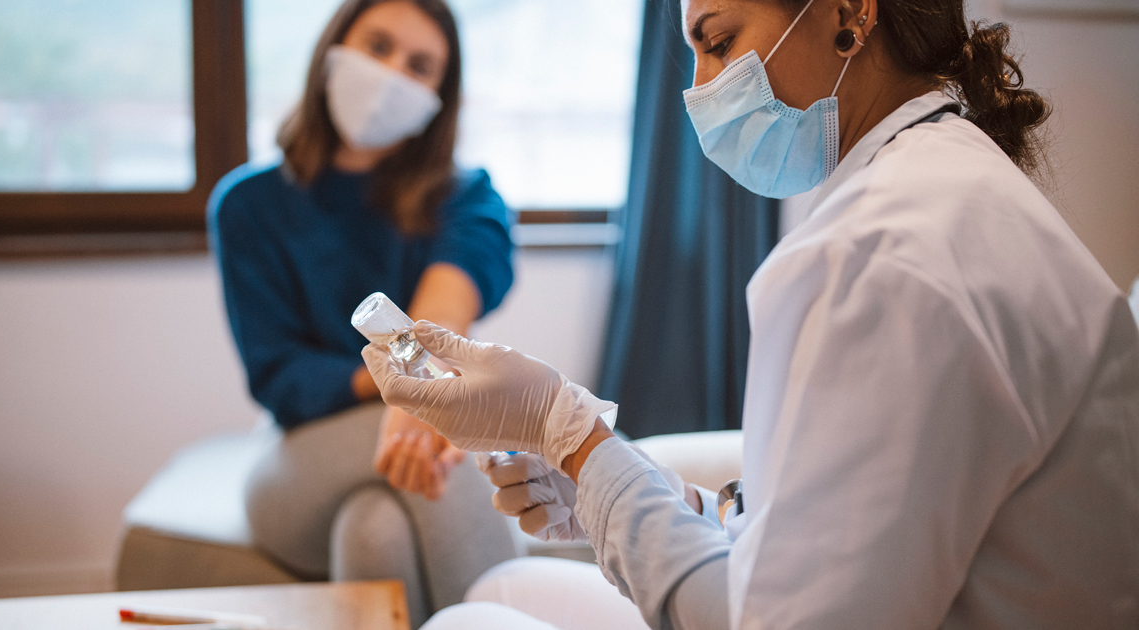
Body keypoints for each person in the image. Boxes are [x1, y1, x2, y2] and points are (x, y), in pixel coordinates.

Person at [360, 0, 1139, 628]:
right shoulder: (949, 178)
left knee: (471, 622)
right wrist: (639, 489)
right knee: (503, 590)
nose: (699, 89)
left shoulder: (874, 255)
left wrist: (570, 434)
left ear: (851, 14)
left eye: (720, 41)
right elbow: (851, 520)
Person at [206, 0, 517, 625]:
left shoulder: (464, 195)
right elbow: (279, 376)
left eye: (420, 65)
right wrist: (405, 389)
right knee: (448, 434)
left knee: (374, 532)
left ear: (439, 95)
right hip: (300, 457)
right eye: (378, 46)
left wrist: (414, 388)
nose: (393, 74)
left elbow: (449, 301)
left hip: (414, 421)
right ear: (333, 48)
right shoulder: (247, 205)